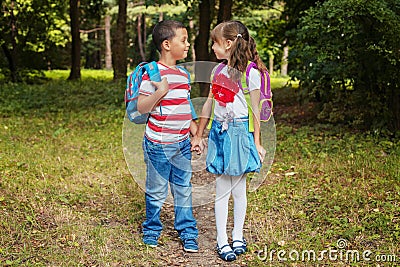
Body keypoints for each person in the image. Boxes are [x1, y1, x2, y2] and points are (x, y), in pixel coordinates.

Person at [191, 20, 267, 261]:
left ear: (229, 43)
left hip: (241, 135)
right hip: (221, 135)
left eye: (215, 42)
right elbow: (209, 103)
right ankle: (222, 240)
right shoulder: (217, 71)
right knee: (223, 189)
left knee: (240, 190)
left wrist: (257, 143)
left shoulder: (251, 73)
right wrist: (199, 134)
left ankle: (238, 236)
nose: (212, 47)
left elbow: (256, 111)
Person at [137, 20, 199, 253]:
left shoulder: (183, 74)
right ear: (166, 44)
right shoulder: (152, 73)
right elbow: (142, 107)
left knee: (183, 188)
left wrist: (195, 133)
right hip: (158, 145)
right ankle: (152, 230)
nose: (187, 44)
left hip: (182, 143)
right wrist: (161, 91)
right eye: (183, 40)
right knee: (157, 190)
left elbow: (185, 107)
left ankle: (188, 232)